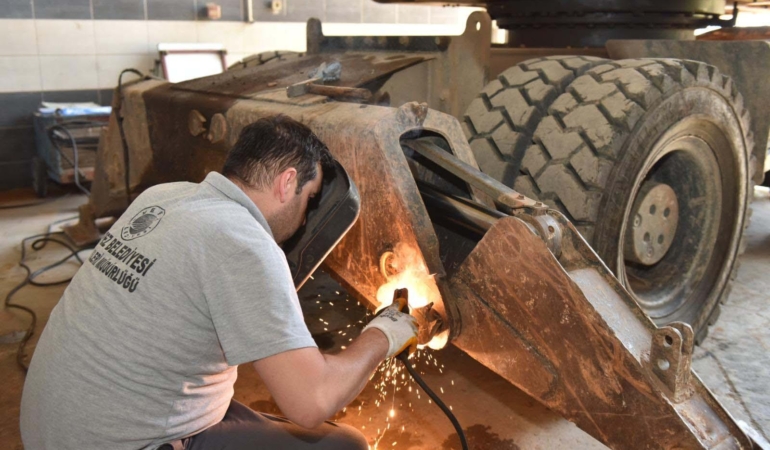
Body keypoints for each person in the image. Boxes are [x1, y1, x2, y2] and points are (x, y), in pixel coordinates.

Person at [20, 115, 419, 450]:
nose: (305, 215)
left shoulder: (162, 197)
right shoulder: (242, 240)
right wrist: (384, 332)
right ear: (287, 182)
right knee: (345, 445)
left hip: (52, 428)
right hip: (120, 441)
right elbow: (311, 401)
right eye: (309, 198)